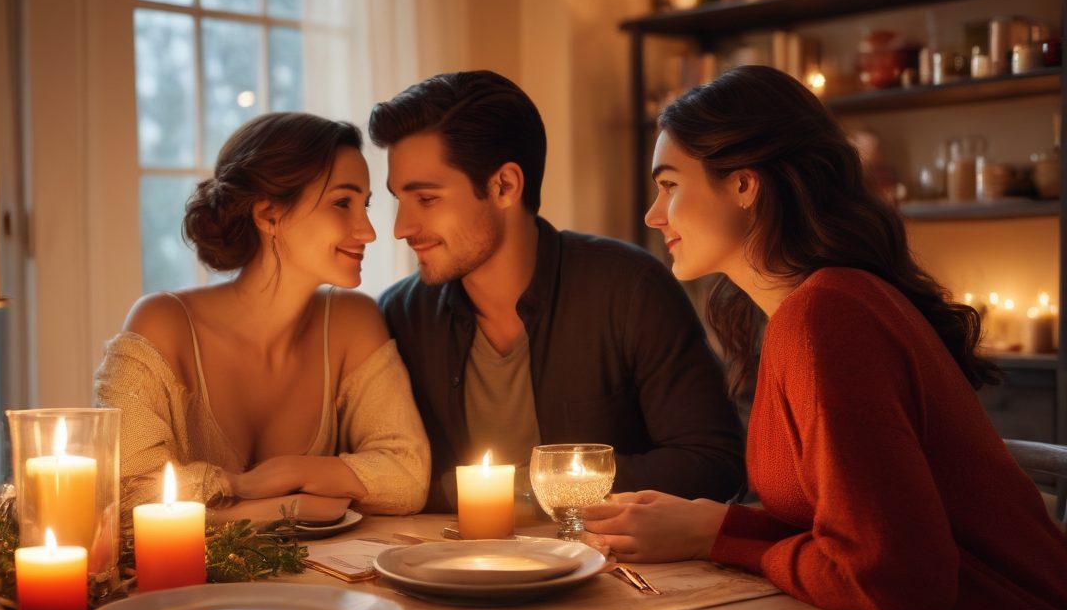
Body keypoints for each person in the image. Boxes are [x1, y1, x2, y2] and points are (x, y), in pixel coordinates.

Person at [583, 65, 1067, 610]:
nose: (654, 216)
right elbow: (843, 525)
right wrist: (707, 526)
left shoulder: (827, 318)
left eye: (668, 185)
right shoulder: (805, 314)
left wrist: (719, 535)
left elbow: (899, 574)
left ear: (745, 184)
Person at [370, 70, 744, 512]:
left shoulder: (627, 290)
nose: (400, 228)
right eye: (399, 200)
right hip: (448, 571)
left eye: (426, 199)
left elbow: (713, 465)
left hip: (614, 569)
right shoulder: (399, 316)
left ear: (504, 186)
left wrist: (529, 488)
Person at [94, 112, 429, 533]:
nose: (367, 231)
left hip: (318, 592)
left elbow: (407, 474)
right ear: (269, 215)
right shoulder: (162, 325)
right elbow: (125, 495)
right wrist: (255, 497)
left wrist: (289, 473)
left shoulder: (353, 322)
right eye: (342, 203)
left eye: (364, 205)